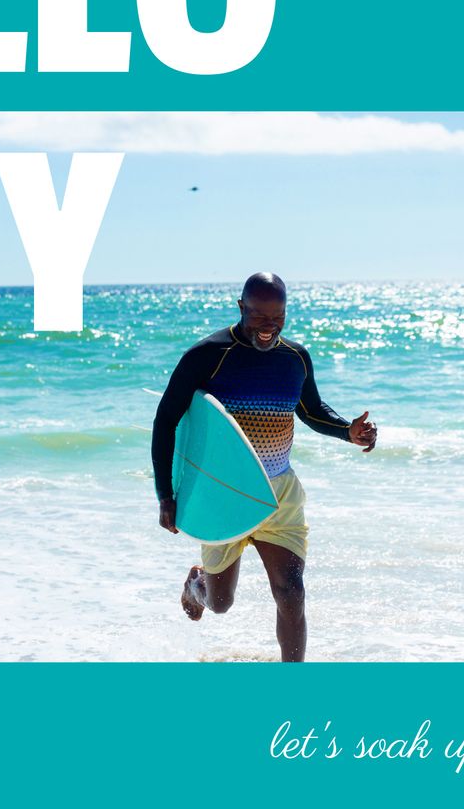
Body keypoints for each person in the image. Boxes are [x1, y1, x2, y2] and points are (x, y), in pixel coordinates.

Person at [151, 272, 377, 661]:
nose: (269, 327)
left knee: (292, 592)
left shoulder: (295, 359)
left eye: (278, 317)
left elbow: (310, 410)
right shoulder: (206, 356)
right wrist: (166, 495)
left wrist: (347, 432)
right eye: (259, 317)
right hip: (223, 495)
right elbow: (167, 420)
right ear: (241, 308)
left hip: (279, 493)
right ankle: (196, 585)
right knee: (220, 603)